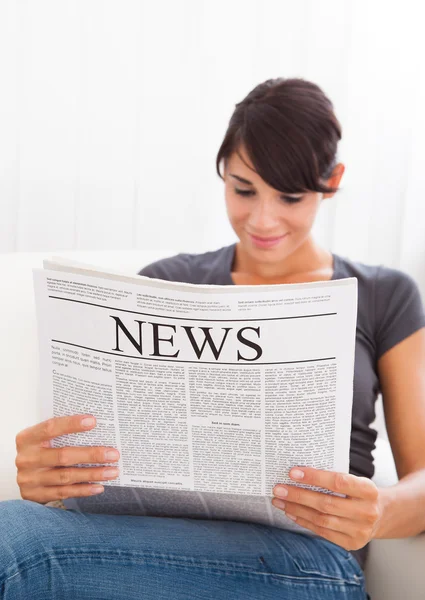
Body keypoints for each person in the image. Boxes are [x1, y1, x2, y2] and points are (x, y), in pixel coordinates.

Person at [1, 77, 425, 600]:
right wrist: (52, 474)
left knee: (14, 546)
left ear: (332, 180)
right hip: (153, 546)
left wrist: (378, 512)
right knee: (17, 527)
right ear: (222, 174)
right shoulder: (166, 282)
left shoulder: (386, 294)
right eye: (243, 189)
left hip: (306, 560)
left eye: (290, 196)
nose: (262, 219)